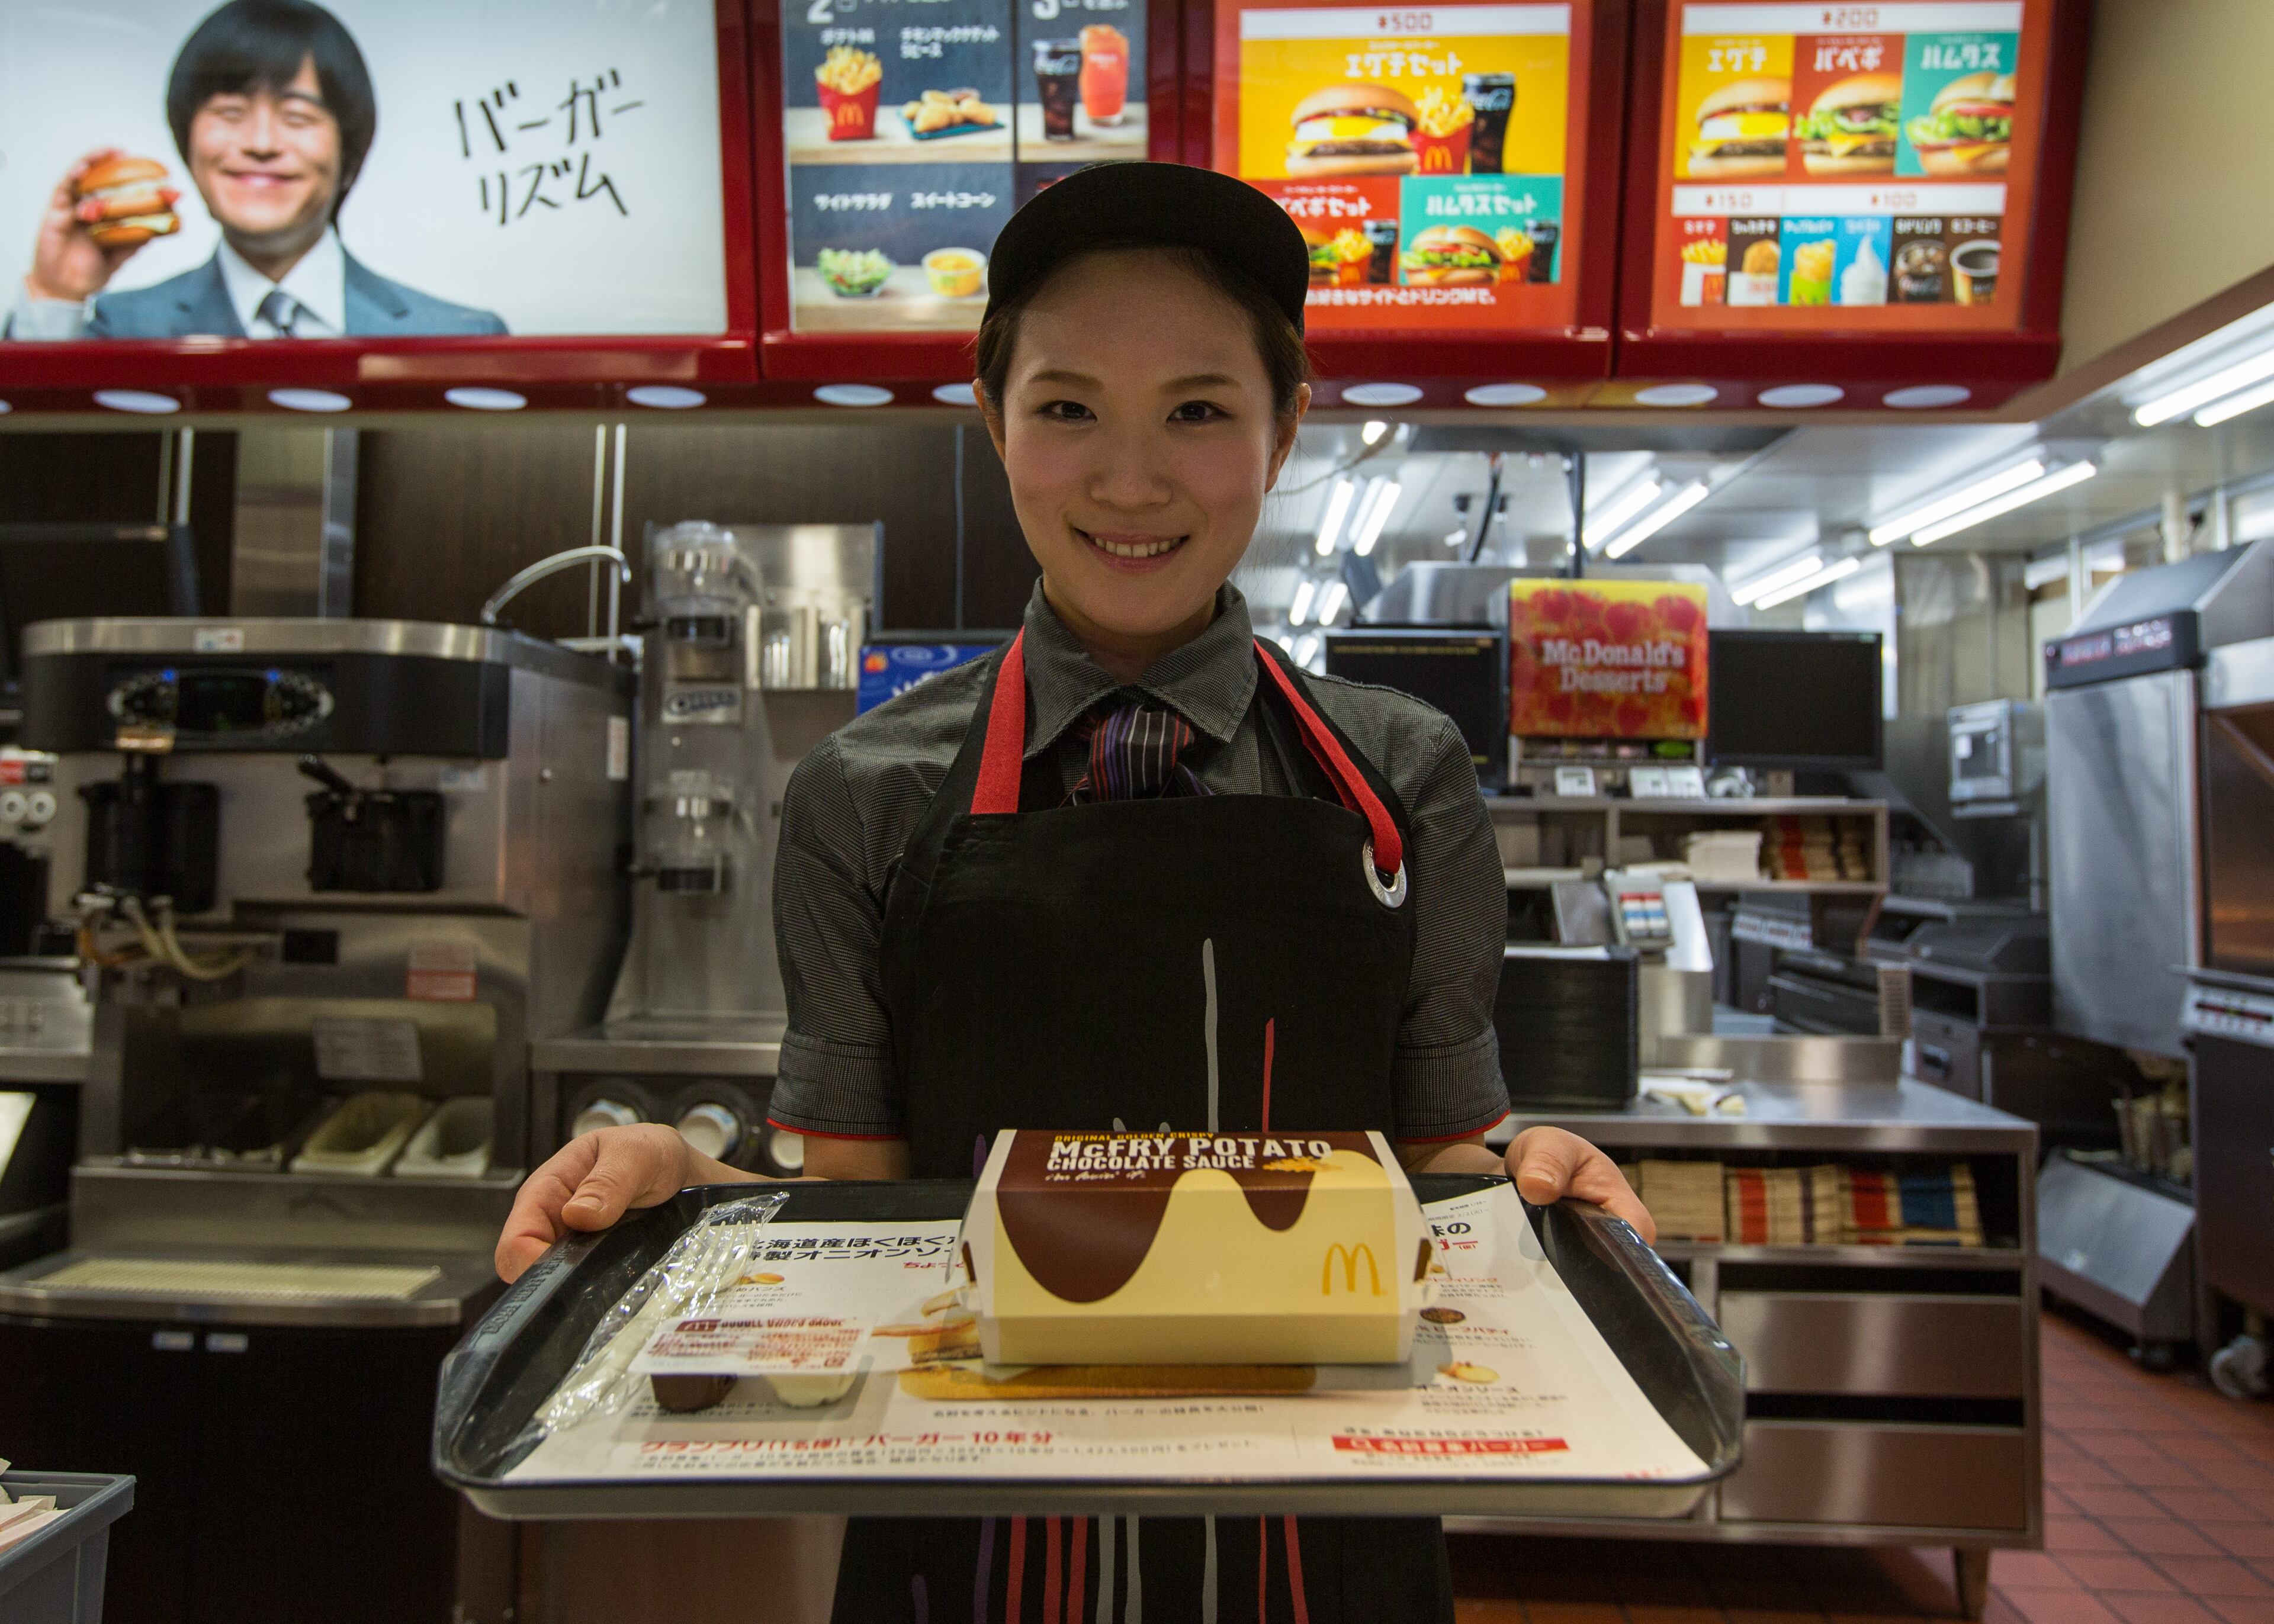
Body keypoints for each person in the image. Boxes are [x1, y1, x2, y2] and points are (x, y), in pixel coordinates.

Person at [494, 162, 1653, 1623]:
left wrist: (1547, 1186)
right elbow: (861, 1218)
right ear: (991, 422)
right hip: (967, 1524)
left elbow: (1450, 1188)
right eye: (1064, 408)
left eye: (1196, 408)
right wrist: (686, 1202)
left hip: (1320, 1523)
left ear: (1284, 428)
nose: (1127, 478)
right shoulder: (864, 792)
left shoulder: (1398, 776)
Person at [8, 0, 505, 341]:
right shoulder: (119, 331)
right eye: (230, 113)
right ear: (188, 143)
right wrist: (56, 296)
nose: (262, 144)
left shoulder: (459, 337)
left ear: (349, 151)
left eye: (297, 116)